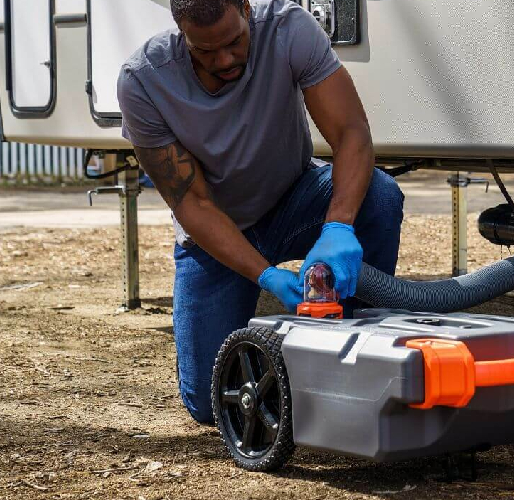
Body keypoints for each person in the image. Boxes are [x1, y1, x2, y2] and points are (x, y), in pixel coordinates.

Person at [117, 0, 403, 424]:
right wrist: (264, 274)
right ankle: (293, 379)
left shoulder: (289, 29)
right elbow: (192, 203)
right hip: (216, 231)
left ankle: (362, 348)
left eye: (234, 42)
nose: (225, 59)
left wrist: (338, 227)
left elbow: (350, 133)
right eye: (205, 51)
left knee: (379, 195)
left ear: (246, 9)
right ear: (181, 32)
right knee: (212, 404)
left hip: (293, 199)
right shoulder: (144, 81)